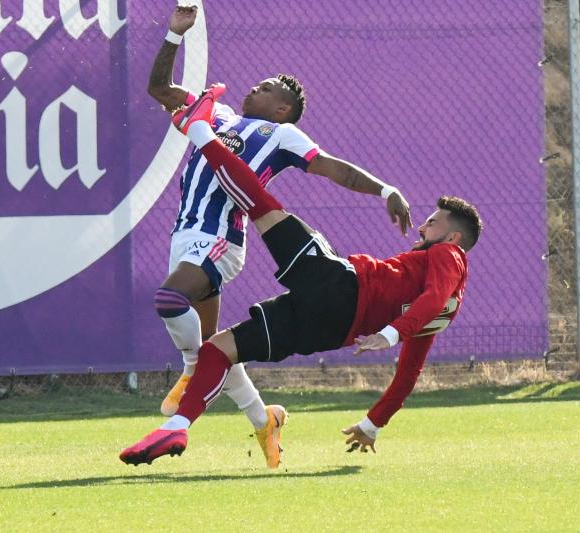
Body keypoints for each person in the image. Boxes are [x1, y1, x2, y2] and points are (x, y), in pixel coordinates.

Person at [119, 86, 483, 466]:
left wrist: (390, 334)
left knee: (260, 204)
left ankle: (200, 134)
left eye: (431, 223)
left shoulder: (448, 255)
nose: (422, 229)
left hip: (341, 286)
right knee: (219, 349)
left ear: (454, 237)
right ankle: (177, 427)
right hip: (329, 329)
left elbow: (434, 297)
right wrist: (373, 424)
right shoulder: (436, 314)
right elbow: (409, 372)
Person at [147, 5, 411, 468]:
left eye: (268, 88)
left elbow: (337, 171)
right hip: (185, 234)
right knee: (217, 351)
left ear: (283, 109)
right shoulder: (220, 115)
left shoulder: (282, 134)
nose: (256, 87)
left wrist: (384, 189)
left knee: (170, 301)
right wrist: (173, 35)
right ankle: (263, 417)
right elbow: (159, 90)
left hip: (221, 237)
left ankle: (189, 375)